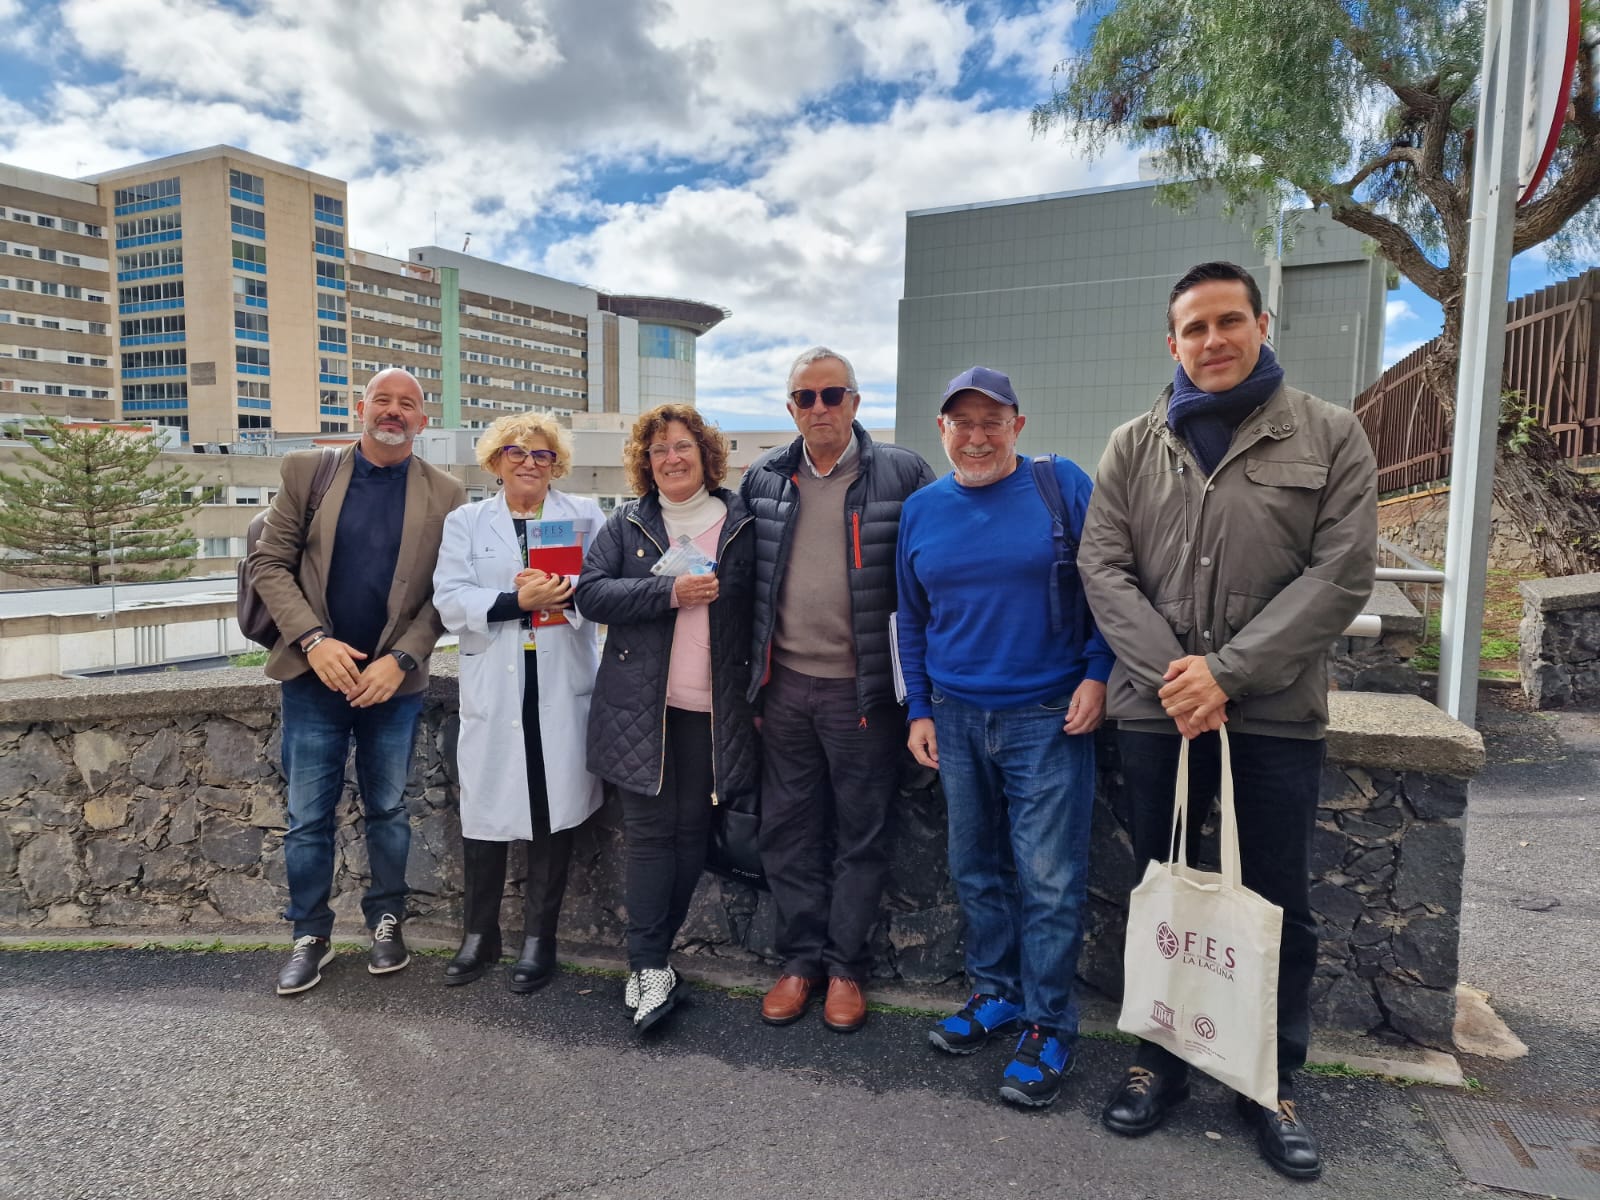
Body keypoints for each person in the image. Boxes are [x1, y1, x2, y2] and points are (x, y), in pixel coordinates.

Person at [1079, 261, 1377, 1180]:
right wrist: (1181, 677)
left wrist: (1229, 673)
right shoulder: (1134, 445)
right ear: (1171, 343)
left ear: (1261, 324)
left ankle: (1269, 1080)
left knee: (1274, 903)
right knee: (1162, 893)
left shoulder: (1330, 435)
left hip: (1273, 716)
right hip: (1157, 714)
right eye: (1194, 328)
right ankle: (1158, 1058)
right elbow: (1103, 567)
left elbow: (1341, 575)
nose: (1212, 341)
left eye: (1228, 322)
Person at [895, 366, 1114, 1109]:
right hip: (955, 717)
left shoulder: (1061, 486)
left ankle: (1050, 1024)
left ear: (1018, 425)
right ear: (942, 431)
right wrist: (918, 708)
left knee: (1049, 879)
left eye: (993, 420)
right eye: (963, 422)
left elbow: (1107, 587)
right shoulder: (923, 509)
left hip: (1048, 715)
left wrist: (1097, 674)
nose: (978, 435)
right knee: (974, 867)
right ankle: (997, 994)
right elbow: (911, 619)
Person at [251, 367, 466, 996]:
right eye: (383, 400)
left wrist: (400, 659)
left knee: (389, 809)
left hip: (392, 684)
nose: (394, 411)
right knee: (307, 817)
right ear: (360, 408)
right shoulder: (305, 472)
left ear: (422, 421)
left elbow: (442, 595)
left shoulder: (449, 493)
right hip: (315, 677)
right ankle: (309, 935)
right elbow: (269, 561)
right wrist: (314, 642)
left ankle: (386, 920)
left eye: (408, 404)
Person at [740, 346, 935, 1033]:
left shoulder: (903, 472)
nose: (818, 409)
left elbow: (932, 577)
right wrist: (751, 688)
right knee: (788, 832)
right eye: (805, 398)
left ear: (855, 402)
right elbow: (741, 587)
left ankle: (846, 967)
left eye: (832, 395)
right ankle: (799, 963)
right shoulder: (764, 477)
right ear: (790, 408)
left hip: (866, 693)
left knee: (861, 833)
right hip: (786, 687)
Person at [575, 404, 758, 1032]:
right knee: (653, 838)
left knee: (691, 835)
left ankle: (657, 961)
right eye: (658, 451)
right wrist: (666, 592)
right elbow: (591, 593)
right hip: (640, 712)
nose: (671, 459)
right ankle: (648, 965)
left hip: (716, 714)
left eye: (682, 447)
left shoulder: (743, 524)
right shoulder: (626, 524)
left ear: (705, 454)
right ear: (644, 463)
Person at [431, 414, 605, 993]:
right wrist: (514, 599)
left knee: (552, 810)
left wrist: (566, 592)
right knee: (484, 811)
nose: (529, 462)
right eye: (516, 451)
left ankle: (539, 939)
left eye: (542, 454)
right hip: (496, 684)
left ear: (557, 462)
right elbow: (450, 601)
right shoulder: (466, 521)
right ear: (494, 459)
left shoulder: (584, 515)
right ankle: (480, 935)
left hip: (560, 680)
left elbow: (605, 590)